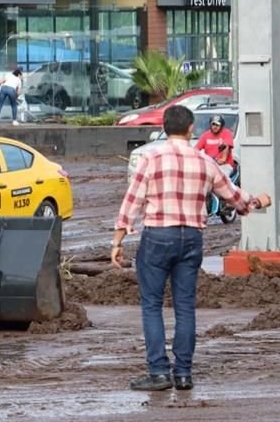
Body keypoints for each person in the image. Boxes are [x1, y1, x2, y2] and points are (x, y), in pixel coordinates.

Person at [112, 105, 271, 392]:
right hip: (192, 238)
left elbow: (132, 200)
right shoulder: (204, 161)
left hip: (158, 236)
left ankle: (159, 372)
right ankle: (183, 374)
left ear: (164, 127)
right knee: (185, 307)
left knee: (152, 305)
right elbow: (234, 197)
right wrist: (258, 201)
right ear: (190, 130)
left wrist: (118, 239)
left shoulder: (152, 158)